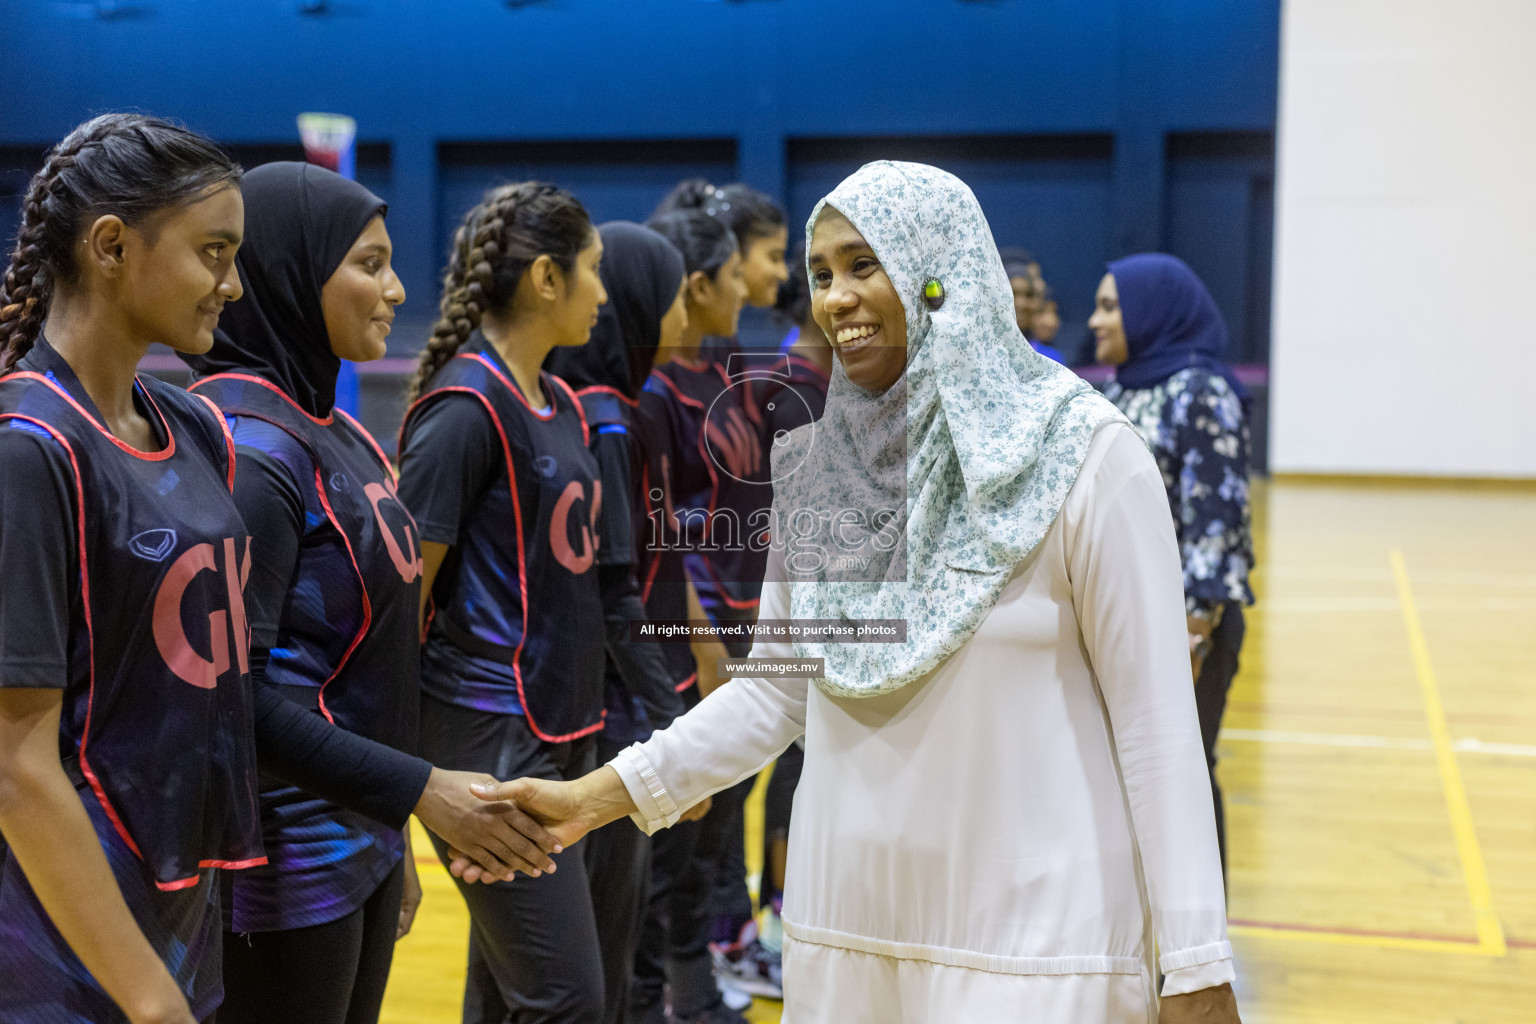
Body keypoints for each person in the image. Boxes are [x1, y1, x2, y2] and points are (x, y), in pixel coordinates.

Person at [463, 162, 1241, 1024]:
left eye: (866, 266)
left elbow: (1159, 727)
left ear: (942, 271)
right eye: (823, 272)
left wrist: (1196, 965)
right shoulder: (819, 468)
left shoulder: (1089, 456)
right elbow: (777, 691)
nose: (836, 298)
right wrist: (591, 800)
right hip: (848, 943)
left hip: (1036, 955)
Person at [0, 115, 557, 1024]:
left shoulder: (191, 429)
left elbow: (211, 700)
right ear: (109, 247)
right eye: (214, 252)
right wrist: (146, 994)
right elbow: (18, 766)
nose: (232, 283)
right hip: (70, 953)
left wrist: (375, 843)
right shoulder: (29, 447)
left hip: (191, 912)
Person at [178, 160, 419, 1024]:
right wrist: (417, 793)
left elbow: (374, 669)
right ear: (291, 269)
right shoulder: (251, 446)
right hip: (282, 865)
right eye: (368, 263)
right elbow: (235, 701)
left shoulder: (337, 427)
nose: (394, 287)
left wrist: (397, 834)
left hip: (363, 838)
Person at [397, 181, 612, 1024]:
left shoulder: (558, 402)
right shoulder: (463, 407)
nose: (603, 291)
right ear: (547, 280)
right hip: (487, 734)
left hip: (559, 724)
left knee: (504, 986)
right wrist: (399, 795)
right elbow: (398, 608)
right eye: (591, 271)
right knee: (566, 999)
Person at [543, 220, 698, 1024]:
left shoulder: (615, 410)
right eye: (673, 298)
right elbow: (618, 595)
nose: (684, 318)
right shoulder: (607, 423)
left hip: (611, 712)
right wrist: (677, 734)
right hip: (606, 722)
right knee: (597, 952)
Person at [1089, 253, 1256, 879]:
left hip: (1186, 630)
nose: (1095, 320)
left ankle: (1200, 949)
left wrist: (1193, 634)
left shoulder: (1200, 389)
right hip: (1122, 620)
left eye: (1110, 307)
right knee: (1123, 779)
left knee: (1182, 774)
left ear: (1151, 312)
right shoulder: (1116, 387)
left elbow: (1217, 522)